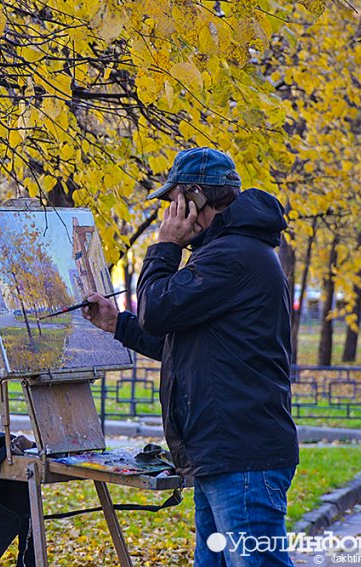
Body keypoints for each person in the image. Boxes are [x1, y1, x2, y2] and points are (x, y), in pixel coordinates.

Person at [83, 147, 299, 566]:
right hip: (223, 454)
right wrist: (117, 324)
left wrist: (165, 246)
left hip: (241, 457)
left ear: (196, 199)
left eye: (174, 202)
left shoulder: (232, 256)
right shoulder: (230, 253)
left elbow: (158, 309)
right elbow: (183, 345)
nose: (170, 215)